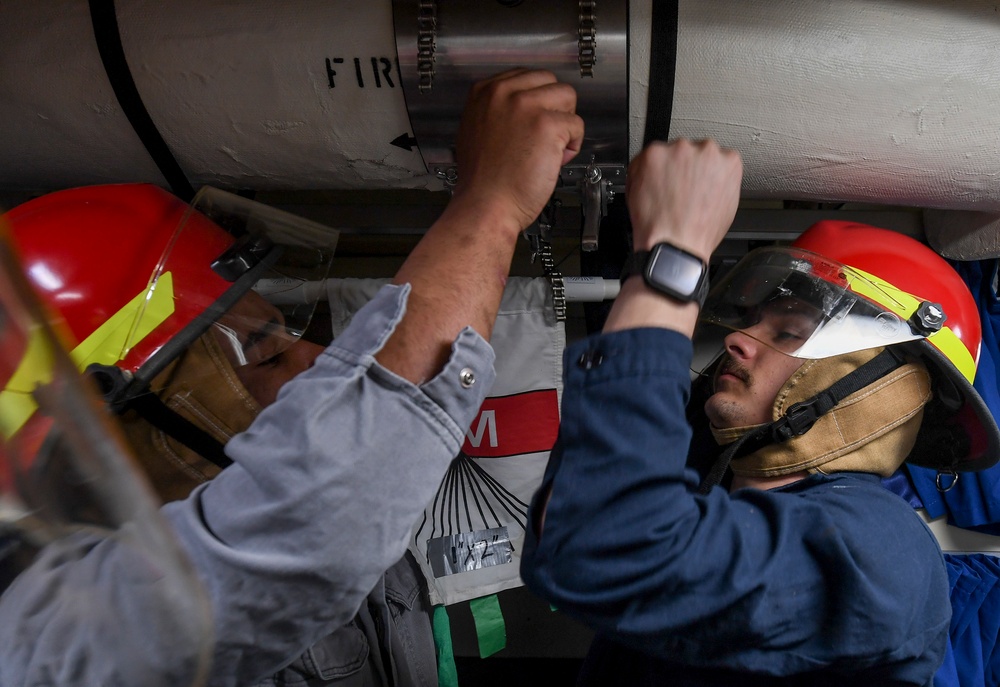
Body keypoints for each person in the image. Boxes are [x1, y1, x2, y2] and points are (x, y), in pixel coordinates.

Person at [0, 67, 584, 687]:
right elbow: (318, 523)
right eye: (264, 357)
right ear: (101, 435)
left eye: (288, 337)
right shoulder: (58, 642)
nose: (313, 362)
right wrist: (491, 204)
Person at [520, 139, 1000, 686]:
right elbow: (570, 532)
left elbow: (606, 541)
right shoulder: (705, 491)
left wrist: (670, 262)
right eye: (751, 320)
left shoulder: (882, 554)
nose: (740, 340)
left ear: (890, 391)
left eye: (790, 331)